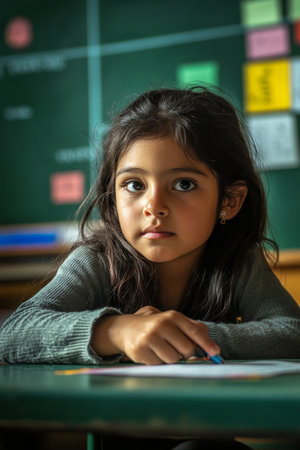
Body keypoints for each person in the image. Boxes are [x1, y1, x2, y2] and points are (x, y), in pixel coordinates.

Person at [0, 87, 299, 450]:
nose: (153, 206)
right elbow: (14, 333)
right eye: (134, 185)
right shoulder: (97, 260)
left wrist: (192, 337)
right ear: (114, 194)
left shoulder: (236, 261)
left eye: (183, 184)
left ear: (229, 201)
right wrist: (116, 331)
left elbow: (292, 332)